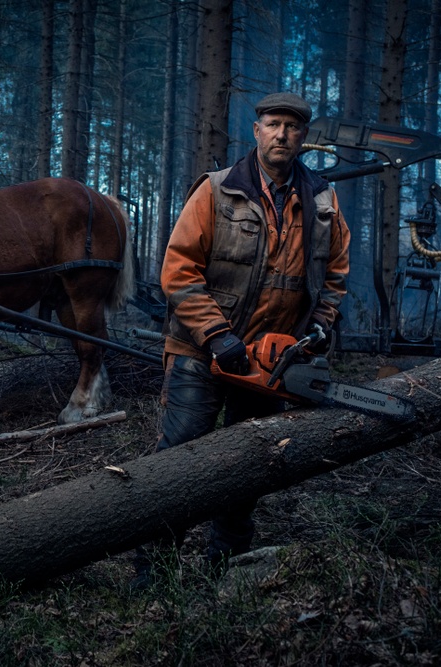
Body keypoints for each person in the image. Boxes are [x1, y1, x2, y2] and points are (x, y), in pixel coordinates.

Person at [132, 92, 351, 590]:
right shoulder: (216, 191)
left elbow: (336, 273)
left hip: (272, 361)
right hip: (200, 351)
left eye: (292, 127)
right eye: (273, 124)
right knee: (179, 458)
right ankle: (154, 571)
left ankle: (224, 567)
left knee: (248, 464)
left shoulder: (322, 200)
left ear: (303, 137)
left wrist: (320, 325)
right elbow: (179, 271)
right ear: (256, 130)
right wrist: (216, 334)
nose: (281, 134)